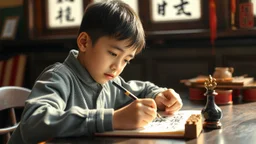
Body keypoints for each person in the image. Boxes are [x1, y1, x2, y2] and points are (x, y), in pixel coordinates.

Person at [8, 0, 182, 143]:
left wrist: (158, 95)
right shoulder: (58, 77)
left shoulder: (109, 81)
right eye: (113, 53)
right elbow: (34, 123)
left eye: (126, 60)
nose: (117, 67)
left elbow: (141, 90)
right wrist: (112, 119)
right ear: (84, 42)